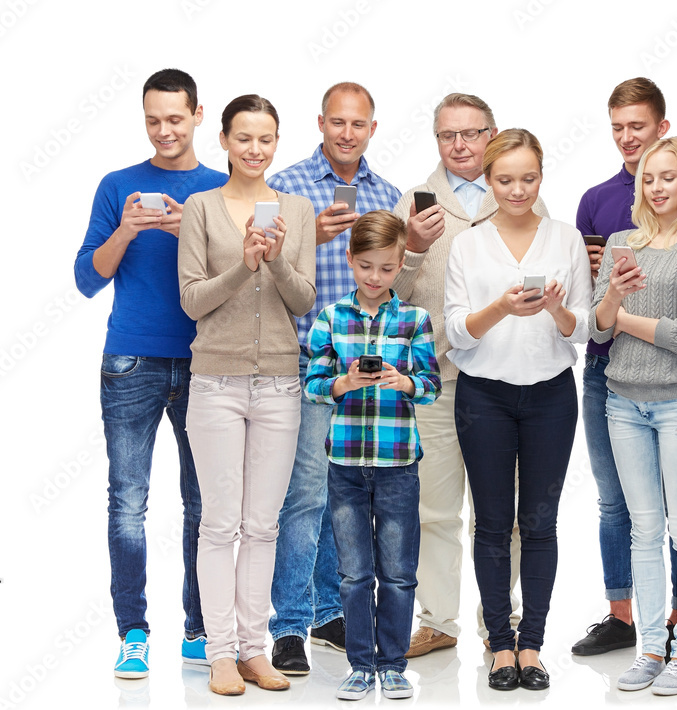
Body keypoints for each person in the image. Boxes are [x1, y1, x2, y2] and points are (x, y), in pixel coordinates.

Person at [73, 68, 227, 679]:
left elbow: (246, 277)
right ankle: (133, 632)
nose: (164, 131)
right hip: (131, 360)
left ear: (196, 117)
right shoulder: (118, 187)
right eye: (153, 120)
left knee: (204, 503)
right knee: (127, 502)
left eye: (175, 118)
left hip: (207, 361)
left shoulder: (219, 188)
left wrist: (194, 223)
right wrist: (126, 229)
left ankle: (198, 625)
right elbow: (88, 278)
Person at [573, 77, 677, 658]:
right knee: (626, 511)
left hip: (676, 391)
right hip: (612, 380)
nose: (628, 139)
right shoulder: (603, 210)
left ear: (663, 127)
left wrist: (618, 307)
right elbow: (595, 313)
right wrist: (604, 289)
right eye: (618, 128)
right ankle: (632, 625)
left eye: (638, 126)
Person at [393, 93, 545, 657]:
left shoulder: (522, 196)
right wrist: (411, 248)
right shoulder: (414, 201)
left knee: (500, 511)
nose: (460, 145)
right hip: (436, 379)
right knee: (434, 507)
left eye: (471, 133)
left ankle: (498, 619)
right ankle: (438, 619)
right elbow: (389, 296)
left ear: (492, 133)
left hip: (503, 382)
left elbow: (545, 286)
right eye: (447, 135)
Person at [178, 94, 317, 695]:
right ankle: (221, 654)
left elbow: (302, 299)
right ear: (226, 142)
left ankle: (256, 651)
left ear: (276, 143)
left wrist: (277, 260)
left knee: (263, 526)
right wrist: (244, 263)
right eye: (243, 138)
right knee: (219, 525)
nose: (254, 149)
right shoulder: (200, 208)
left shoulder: (299, 209)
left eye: (265, 139)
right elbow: (192, 300)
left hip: (281, 382)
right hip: (215, 383)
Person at [445, 129, 590, 691]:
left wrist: (555, 308)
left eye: (528, 178)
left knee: (539, 523)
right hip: (484, 395)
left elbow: (581, 330)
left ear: (541, 176)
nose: (517, 189)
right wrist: (501, 308)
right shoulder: (469, 243)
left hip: (551, 394)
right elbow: (456, 333)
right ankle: (499, 646)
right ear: (487, 180)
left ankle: (532, 645)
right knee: (492, 523)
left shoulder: (566, 237)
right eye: (505, 179)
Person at [266, 82, 402, 675]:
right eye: (338, 122)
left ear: (373, 128)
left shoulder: (389, 195)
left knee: (344, 497)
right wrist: (309, 235)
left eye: (359, 124)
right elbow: (261, 270)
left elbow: (393, 279)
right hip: (304, 358)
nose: (348, 133)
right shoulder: (286, 187)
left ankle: (326, 611)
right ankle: (289, 625)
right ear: (320, 122)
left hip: (366, 370)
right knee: (304, 495)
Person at [306, 211, 441, 700]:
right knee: (354, 573)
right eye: (366, 267)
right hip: (345, 463)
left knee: (399, 573)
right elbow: (313, 384)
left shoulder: (414, 320)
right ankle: (361, 665)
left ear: (401, 262)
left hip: (399, 464)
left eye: (386, 268)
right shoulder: (330, 317)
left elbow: (431, 386)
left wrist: (403, 381)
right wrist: (343, 383)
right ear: (350, 260)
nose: (375, 278)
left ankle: (394, 665)